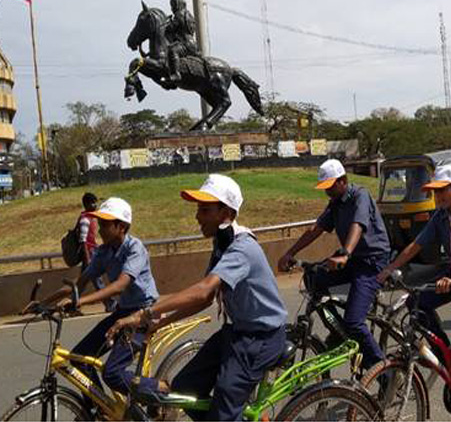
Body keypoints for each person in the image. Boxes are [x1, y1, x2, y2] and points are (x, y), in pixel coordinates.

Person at [108, 174, 287, 421]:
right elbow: (204, 298)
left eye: (204, 210)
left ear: (226, 212)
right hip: (237, 334)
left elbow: (203, 290)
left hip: (261, 339)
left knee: (223, 409)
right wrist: (159, 323)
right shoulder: (222, 244)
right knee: (184, 389)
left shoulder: (242, 247)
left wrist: (144, 313)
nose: (197, 216)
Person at [377, 165, 451, 421]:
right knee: (416, 303)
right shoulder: (440, 217)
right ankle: (445, 354)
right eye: (435, 191)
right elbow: (416, 245)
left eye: (443, 190)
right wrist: (389, 269)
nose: (438, 196)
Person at [26, 197, 159, 399]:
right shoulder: (104, 252)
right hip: (123, 312)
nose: (100, 229)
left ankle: (159, 389)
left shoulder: (135, 248)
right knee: (80, 359)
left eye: (105, 224)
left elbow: (120, 285)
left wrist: (80, 302)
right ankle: (99, 408)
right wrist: (43, 304)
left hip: (144, 313)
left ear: (121, 226)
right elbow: (78, 284)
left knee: (112, 373)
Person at [278, 159, 390, 370]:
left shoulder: (360, 196)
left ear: (343, 181)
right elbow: (316, 229)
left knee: (354, 322)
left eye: (330, 186)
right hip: (352, 260)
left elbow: (358, 225)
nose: (327, 192)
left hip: (372, 262)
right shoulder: (335, 203)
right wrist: (290, 253)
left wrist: (345, 253)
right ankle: (339, 331)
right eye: (324, 188)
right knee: (314, 277)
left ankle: (383, 371)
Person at [77, 192, 117, 312]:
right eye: (92, 202)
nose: (95, 205)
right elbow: (83, 240)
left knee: (81, 283)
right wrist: (88, 258)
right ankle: (109, 303)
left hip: (91, 252)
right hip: (89, 253)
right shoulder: (85, 219)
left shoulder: (90, 218)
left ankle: (72, 303)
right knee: (97, 280)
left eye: (95, 202)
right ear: (86, 204)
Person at [165, 0, 199, 83]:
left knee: (172, 50)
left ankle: (176, 74)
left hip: (186, 44)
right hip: (192, 44)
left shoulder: (179, 14)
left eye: (173, 5)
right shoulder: (188, 14)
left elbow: (173, 27)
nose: (172, 8)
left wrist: (167, 24)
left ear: (177, 4)